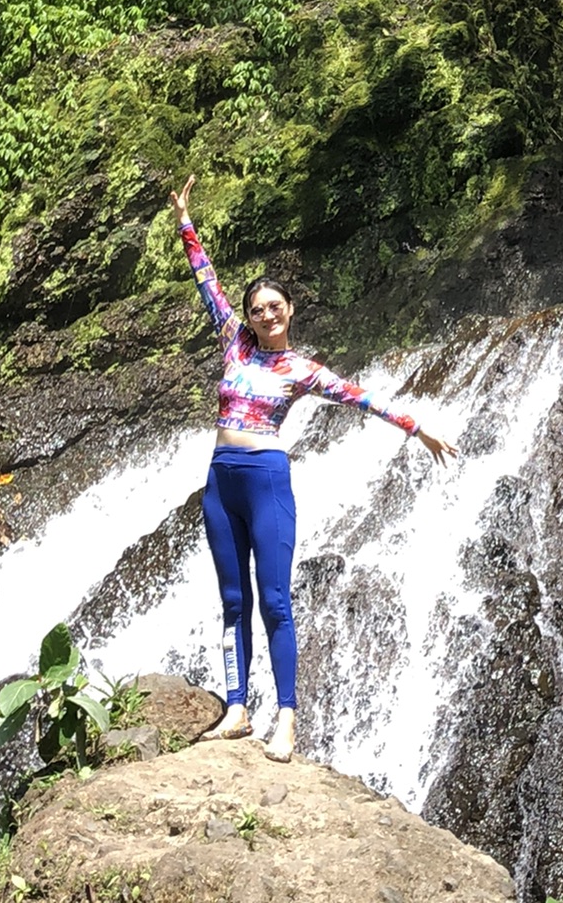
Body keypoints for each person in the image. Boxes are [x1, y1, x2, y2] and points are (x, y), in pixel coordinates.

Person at [170, 174, 456, 763]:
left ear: (290, 311)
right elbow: (207, 282)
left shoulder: (301, 368)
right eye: (257, 309)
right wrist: (185, 223)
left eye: (275, 306)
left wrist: (416, 426)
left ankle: (288, 719)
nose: (266, 314)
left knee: (274, 600)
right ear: (248, 317)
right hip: (221, 480)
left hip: (267, 480)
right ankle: (236, 708)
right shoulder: (234, 344)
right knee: (232, 599)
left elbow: (360, 397)